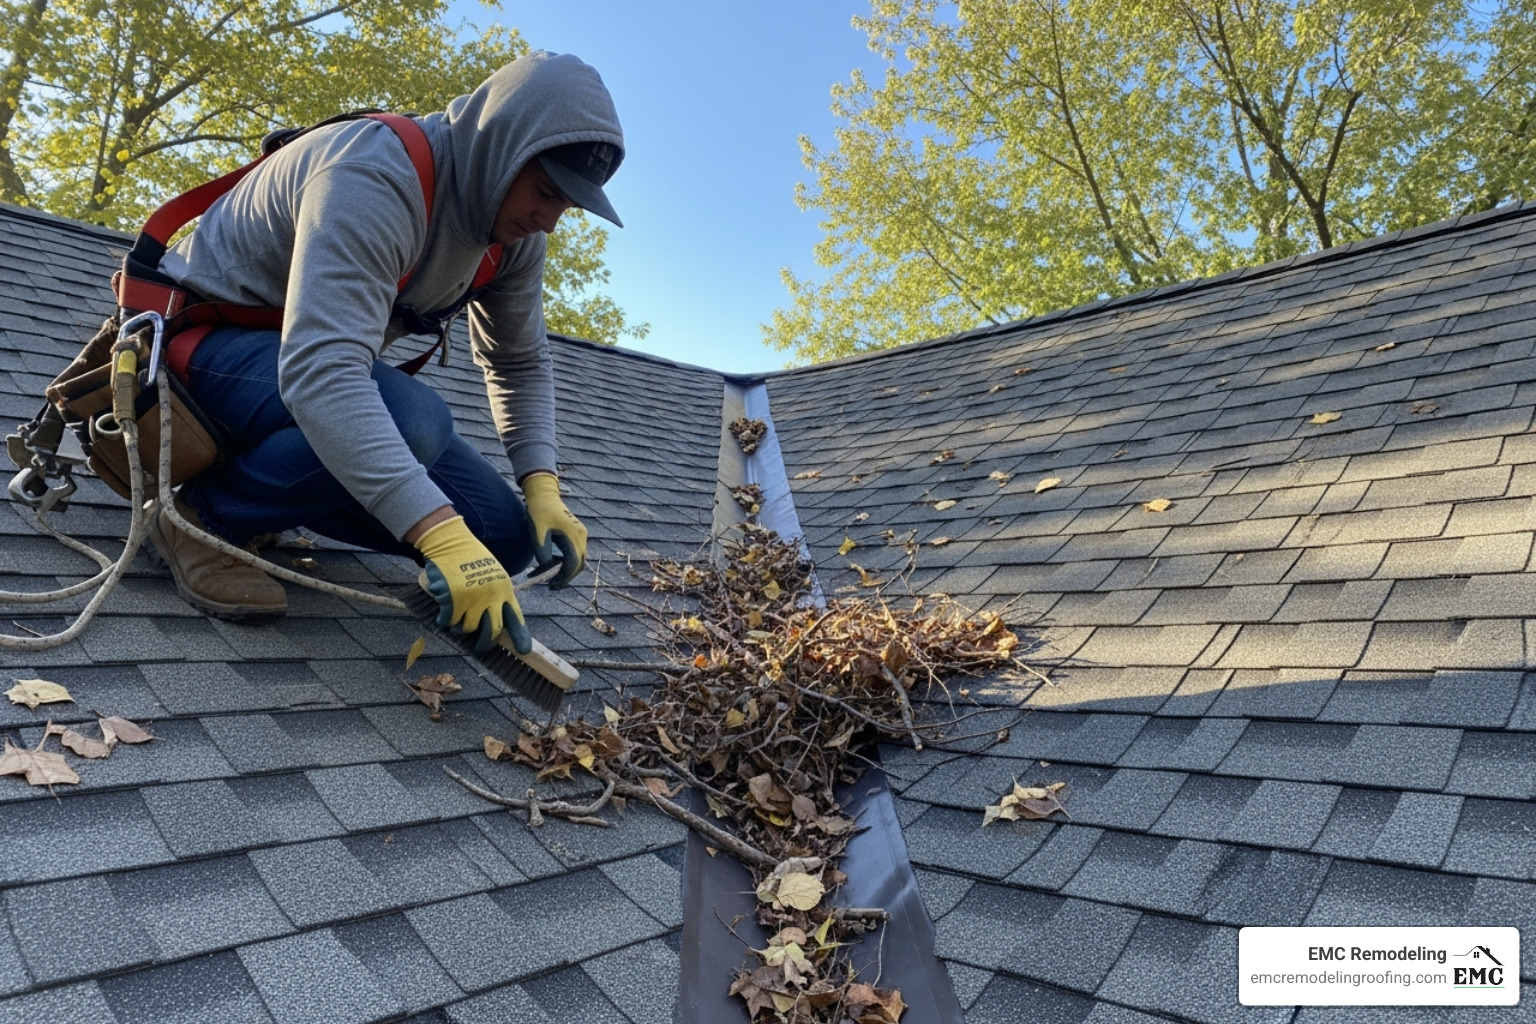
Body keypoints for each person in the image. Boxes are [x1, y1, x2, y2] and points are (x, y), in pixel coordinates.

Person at [145, 51, 622, 655]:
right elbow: (323, 372)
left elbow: (518, 364)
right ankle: (203, 519)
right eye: (547, 191)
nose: (549, 221)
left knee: (503, 537)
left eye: (568, 205)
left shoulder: (512, 236)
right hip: (192, 357)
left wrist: (542, 487)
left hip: (283, 382)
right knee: (416, 422)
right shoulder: (376, 173)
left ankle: (271, 493)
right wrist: (437, 532)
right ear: (502, 145)